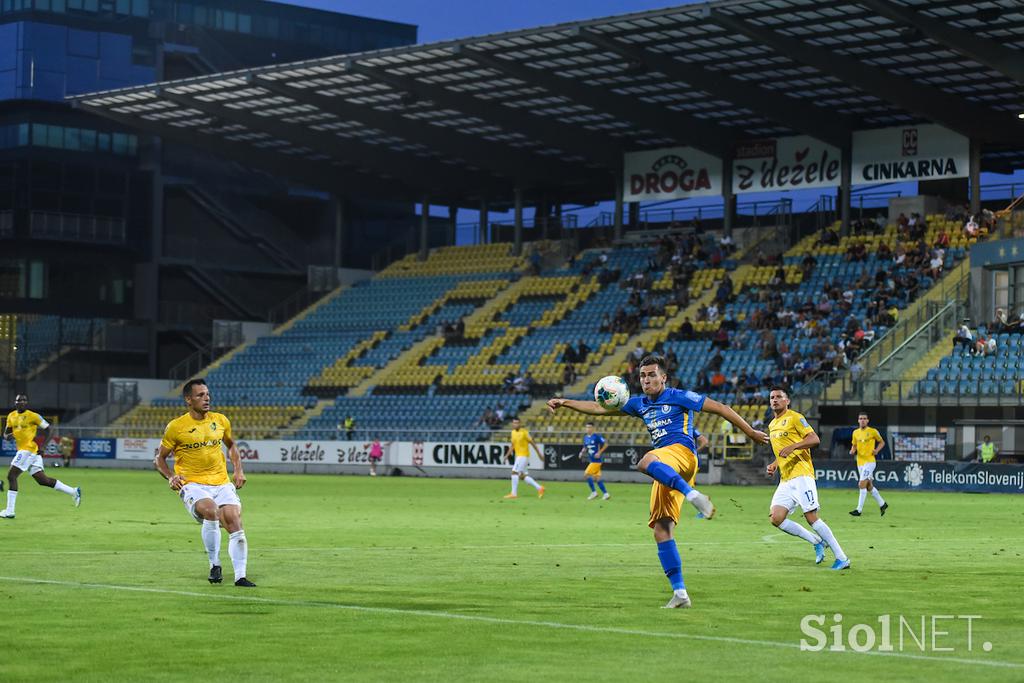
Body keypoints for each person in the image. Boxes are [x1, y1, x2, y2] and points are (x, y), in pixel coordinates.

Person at [547, 355, 768, 608]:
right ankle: (680, 593)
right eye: (642, 376)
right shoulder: (638, 404)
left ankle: (694, 495)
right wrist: (564, 402)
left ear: (664, 377)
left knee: (644, 462)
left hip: (682, 455)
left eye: (652, 374)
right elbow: (599, 408)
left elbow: (721, 408)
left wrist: (750, 432)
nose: (647, 379)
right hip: (666, 468)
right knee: (661, 531)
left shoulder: (679, 396)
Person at [153, 378, 255, 587]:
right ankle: (214, 564)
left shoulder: (220, 420)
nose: (206, 398)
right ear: (188, 400)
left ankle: (240, 577)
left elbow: (232, 445)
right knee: (211, 511)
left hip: (221, 481)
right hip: (192, 484)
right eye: (200, 395)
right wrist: (171, 476)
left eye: (207, 394)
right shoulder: (176, 427)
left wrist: (238, 470)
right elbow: (159, 458)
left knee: (234, 519)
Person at [766, 387, 849, 570]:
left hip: (802, 475)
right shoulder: (772, 424)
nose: (775, 400)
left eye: (779, 397)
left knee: (811, 517)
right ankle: (816, 541)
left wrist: (794, 446)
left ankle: (842, 557)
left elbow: (814, 439)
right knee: (776, 518)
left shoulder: (796, 417)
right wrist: (775, 464)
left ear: (787, 401)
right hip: (786, 480)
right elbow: (783, 452)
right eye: (772, 397)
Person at [1, 394, 81, 519]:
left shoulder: (33, 416)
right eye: (18, 400)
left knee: (11, 476)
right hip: (27, 451)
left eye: (23, 400)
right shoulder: (11, 416)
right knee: (42, 480)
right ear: (15, 402)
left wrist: (44, 447)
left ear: (26, 403)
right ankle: (74, 491)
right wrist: (8, 436)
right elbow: (5, 434)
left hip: (28, 450)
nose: (21, 402)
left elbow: (51, 429)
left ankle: (10, 511)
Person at [849, 412, 888, 517]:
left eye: (864, 418)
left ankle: (859, 510)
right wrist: (852, 450)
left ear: (868, 420)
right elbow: (854, 445)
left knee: (861, 484)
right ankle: (882, 504)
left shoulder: (873, 431)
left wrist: (877, 450)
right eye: (860, 418)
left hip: (870, 462)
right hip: (860, 462)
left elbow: (882, 442)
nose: (862, 420)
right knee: (868, 485)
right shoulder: (855, 433)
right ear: (858, 420)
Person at [503, 418, 544, 499]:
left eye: (517, 423)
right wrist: (507, 455)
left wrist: (539, 454)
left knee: (514, 472)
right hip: (519, 456)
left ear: (520, 424)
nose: (515, 424)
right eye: (514, 423)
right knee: (522, 476)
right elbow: (513, 445)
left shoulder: (524, 432)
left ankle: (514, 494)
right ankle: (540, 488)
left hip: (523, 456)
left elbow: (533, 443)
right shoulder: (513, 433)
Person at [579, 421, 609, 501]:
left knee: (586, 475)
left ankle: (594, 492)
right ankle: (606, 494)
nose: (587, 429)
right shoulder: (586, 437)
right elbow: (585, 447)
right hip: (592, 460)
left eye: (589, 427)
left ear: (593, 428)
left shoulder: (597, 436)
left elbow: (606, 444)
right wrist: (581, 452)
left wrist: (599, 452)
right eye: (586, 427)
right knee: (597, 479)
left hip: (596, 461)